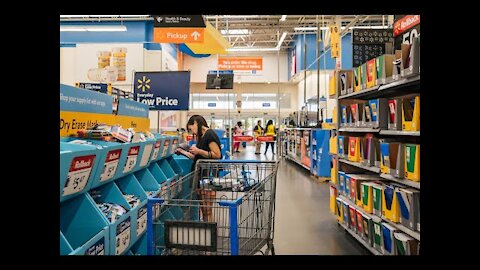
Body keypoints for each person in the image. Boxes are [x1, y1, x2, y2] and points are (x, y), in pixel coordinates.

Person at [179, 115, 222, 222]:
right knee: (204, 209)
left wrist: (198, 151)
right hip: (201, 177)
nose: (191, 132)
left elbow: (217, 154)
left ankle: (210, 233)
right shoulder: (202, 136)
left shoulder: (210, 134)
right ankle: (207, 231)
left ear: (196, 123)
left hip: (208, 176)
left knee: (207, 210)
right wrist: (183, 152)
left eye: (191, 128)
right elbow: (198, 157)